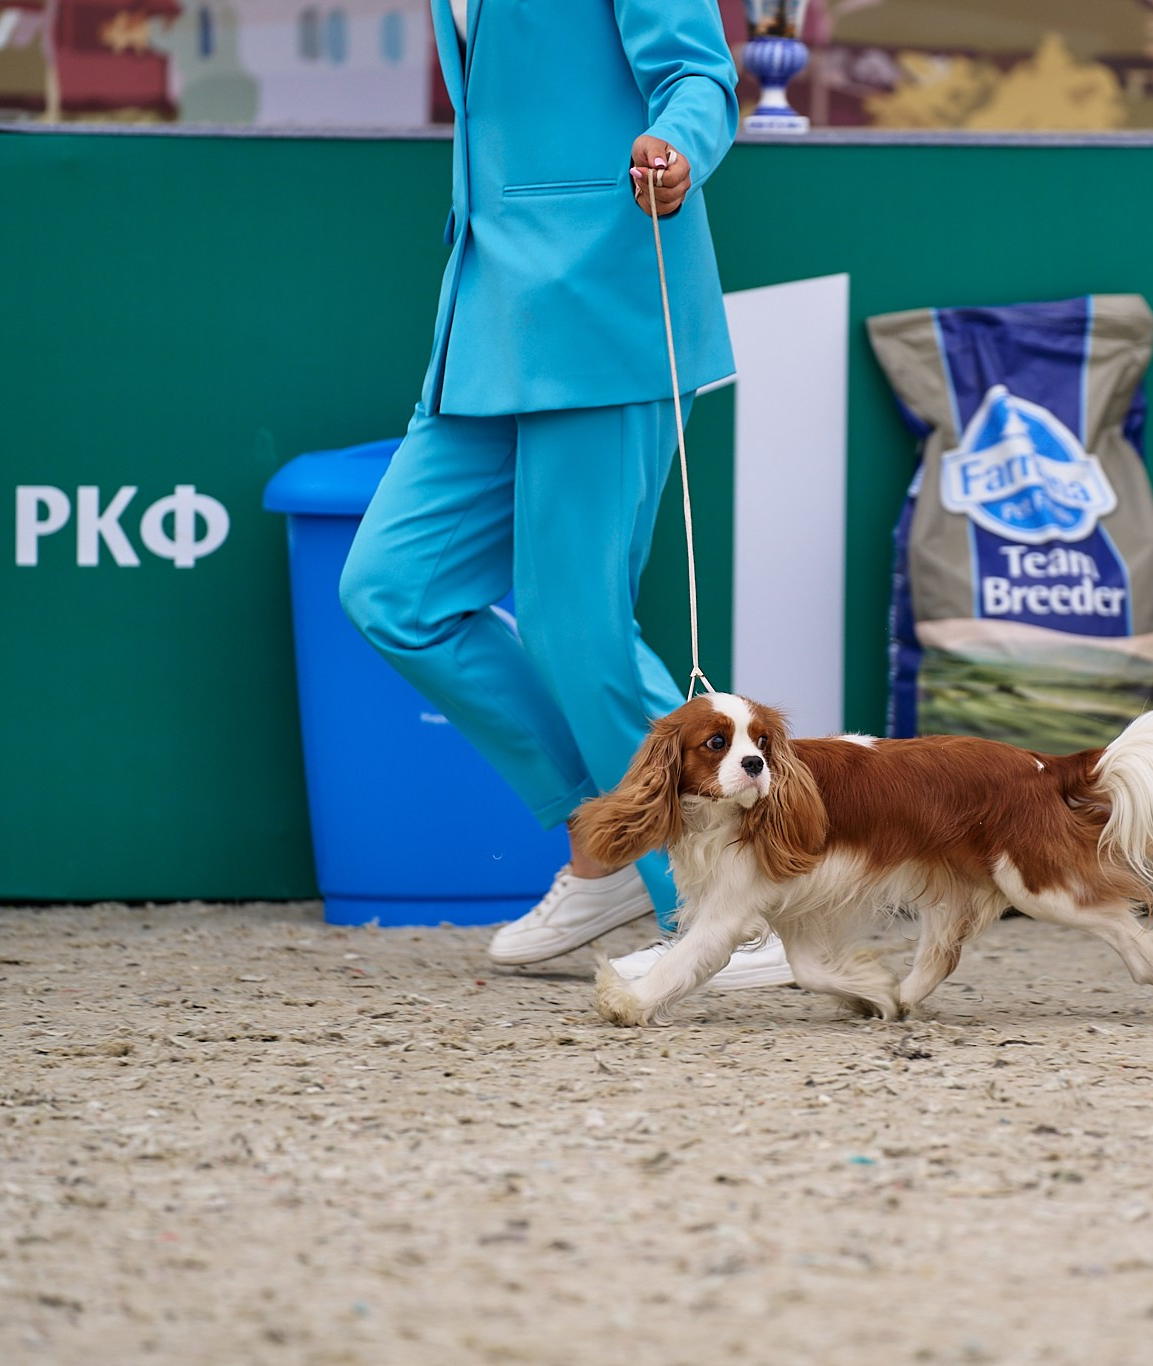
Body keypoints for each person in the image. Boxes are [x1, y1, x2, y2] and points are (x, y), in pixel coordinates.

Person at [337, 0, 791, 990]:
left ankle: (730, 908)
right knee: (393, 590)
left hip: (600, 305)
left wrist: (675, 148)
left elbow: (699, 75)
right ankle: (616, 835)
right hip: (483, 314)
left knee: (572, 621)